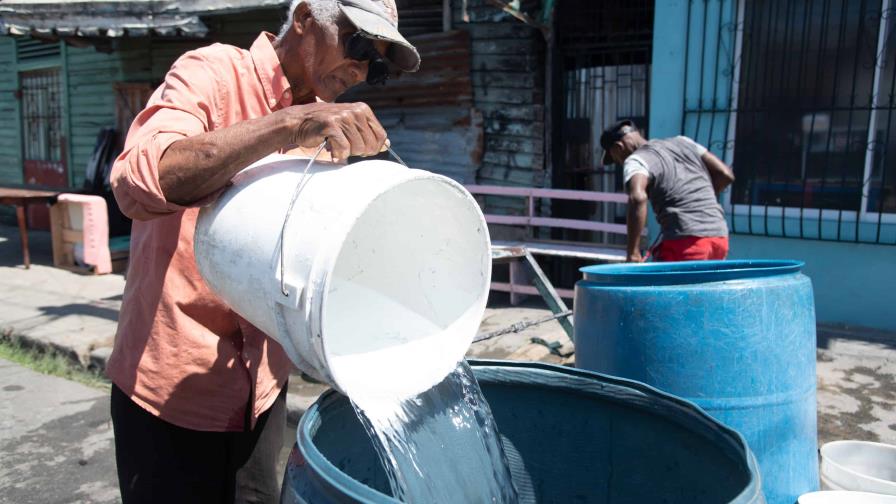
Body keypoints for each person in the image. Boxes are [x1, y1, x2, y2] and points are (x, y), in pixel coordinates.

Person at [106, 0, 420, 502]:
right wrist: (287, 125)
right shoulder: (211, 73)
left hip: (262, 391)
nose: (361, 69)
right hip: (169, 391)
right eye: (359, 44)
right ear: (302, 19)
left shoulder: (330, 128)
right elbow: (138, 183)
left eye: (377, 64)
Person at [600, 120, 736, 263]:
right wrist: (699, 201)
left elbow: (637, 198)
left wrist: (633, 252)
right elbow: (725, 174)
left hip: (685, 243)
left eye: (616, 160)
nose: (620, 164)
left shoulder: (636, 160)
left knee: (660, 285)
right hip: (719, 237)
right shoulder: (684, 142)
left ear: (618, 147)